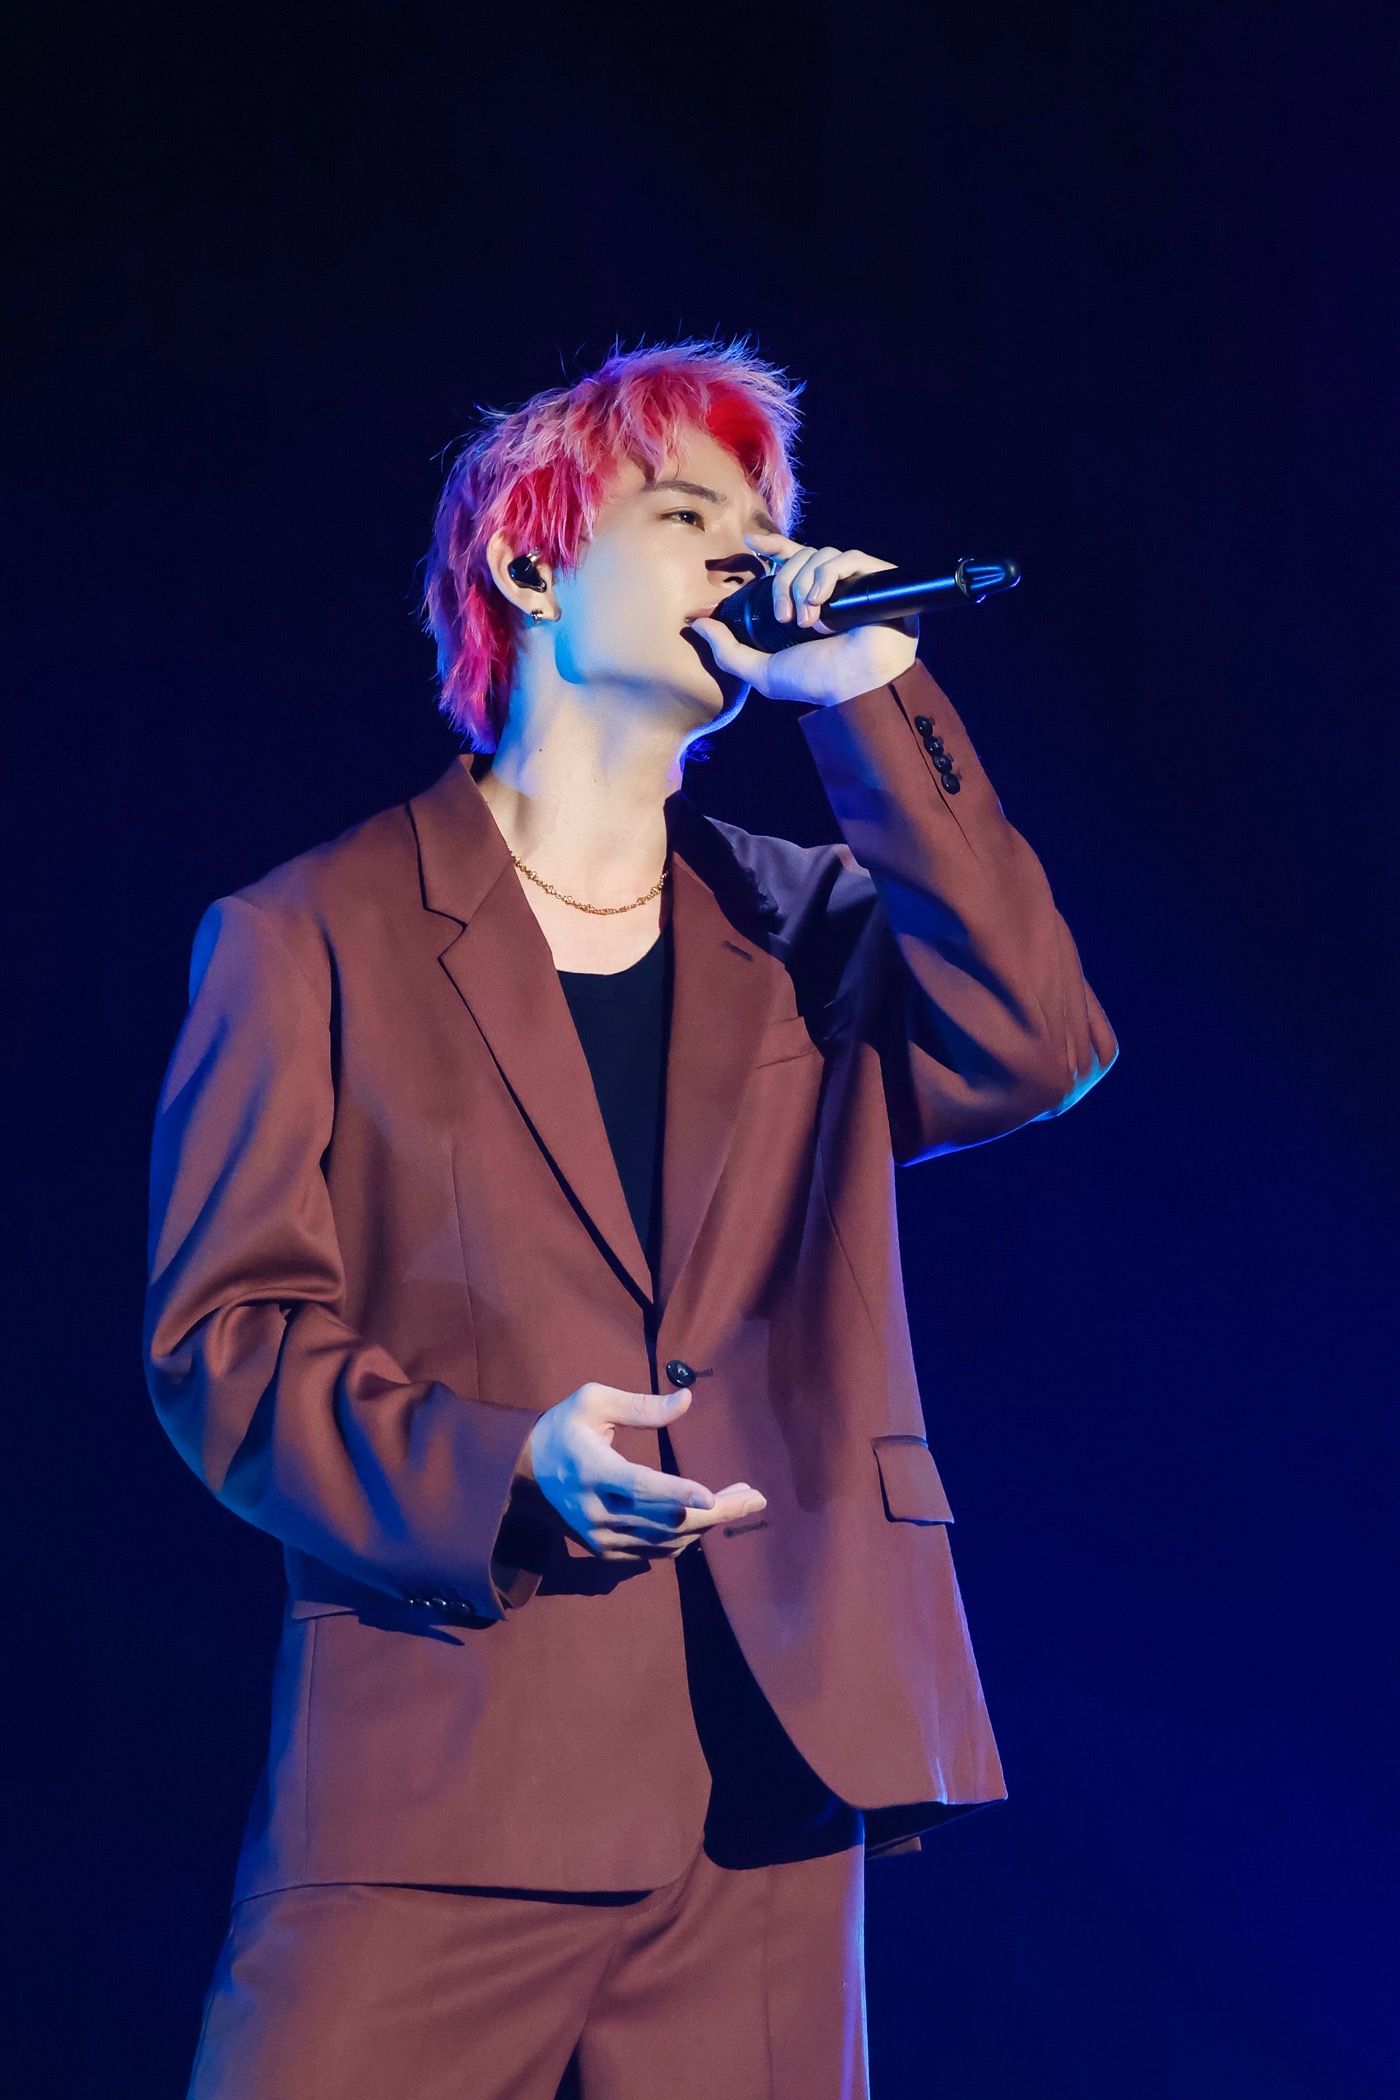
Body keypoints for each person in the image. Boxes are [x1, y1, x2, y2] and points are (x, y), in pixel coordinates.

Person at [144, 339, 1118, 2099]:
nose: (748, 555)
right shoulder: (307, 936)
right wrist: (504, 1467)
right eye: (686, 515)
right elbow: (225, 1348)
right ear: (532, 567)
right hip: (444, 1778)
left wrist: (872, 696)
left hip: (772, 1787)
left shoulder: (809, 928)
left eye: (764, 524)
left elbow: (1039, 1043)